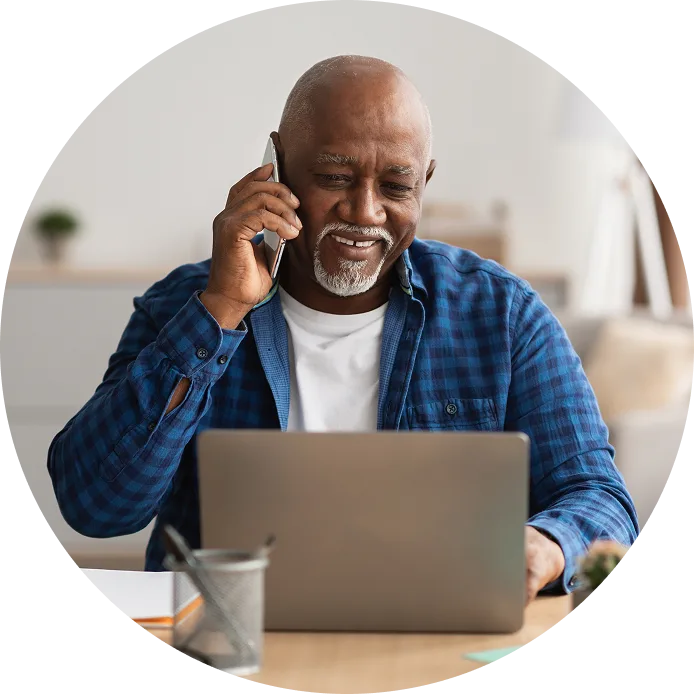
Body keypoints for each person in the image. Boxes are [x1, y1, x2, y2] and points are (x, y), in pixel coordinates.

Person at [48, 55, 639, 603]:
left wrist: (549, 544)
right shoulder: (184, 306)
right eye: (334, 176)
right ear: (275, 167)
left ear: (424, 181)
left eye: (396, 186)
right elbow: (95, 507)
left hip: (432, 636)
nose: (365, 211)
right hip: (231, 641)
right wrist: (222, 309)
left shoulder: (501, 314)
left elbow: (603, 500)